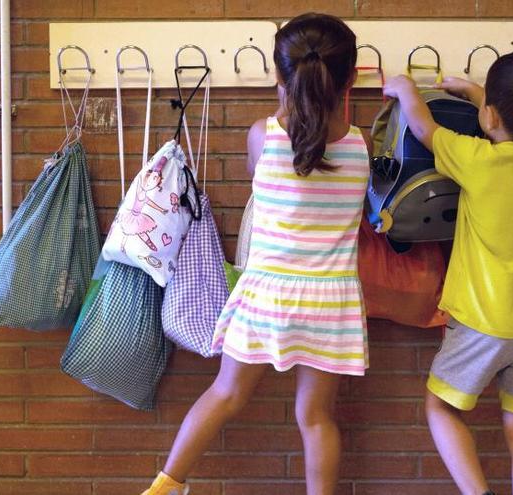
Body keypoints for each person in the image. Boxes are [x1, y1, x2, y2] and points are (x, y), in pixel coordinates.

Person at [140, 13, 369, 495]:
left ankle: (166, 485)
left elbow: (259, 174)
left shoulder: (262, 137)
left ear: (278, 74)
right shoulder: (361, 147)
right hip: (331, 303)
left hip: (267, 293)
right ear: (351, 77)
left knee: (225, 394)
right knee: (316, 417)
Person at [383, 51, 513, 495]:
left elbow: (425, 130)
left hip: (485, 323)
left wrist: (407, 89)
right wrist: (479, 95)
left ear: (489, 116)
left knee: (441, 408)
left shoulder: (477, 160)